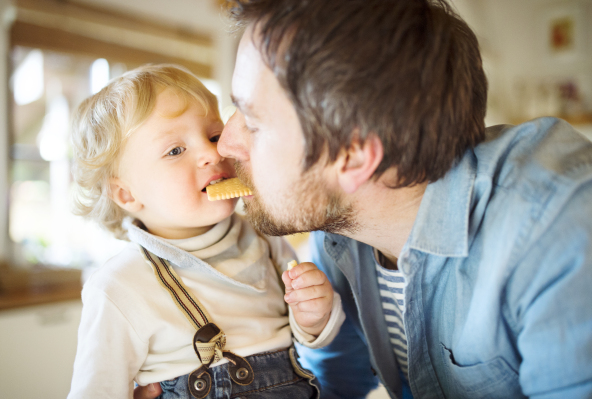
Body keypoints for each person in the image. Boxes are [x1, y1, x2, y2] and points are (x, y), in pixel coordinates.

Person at [209, 0, 590, 398]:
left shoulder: (560, 228)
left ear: (353, 156)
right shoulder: (339, 228)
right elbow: (332, 387)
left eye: (251, 122)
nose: (226, 146)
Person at [67, 64, 346, 399]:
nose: (212, 153)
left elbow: (304, 337)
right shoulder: (118, 287)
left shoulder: (265, 240)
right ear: (127, 194)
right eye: (175, 150)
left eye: (214, 136)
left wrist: (314, 317)